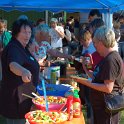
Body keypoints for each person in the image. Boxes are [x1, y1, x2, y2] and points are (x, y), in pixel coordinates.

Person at [71, 26, 124, 124]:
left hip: (107, 110)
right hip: (102, 108)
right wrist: (86, 69)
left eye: (94, 43)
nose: (94, 46)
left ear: (101, 42)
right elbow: (98, 78)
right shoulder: (107, 57)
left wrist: (84, 82)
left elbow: (108, 88)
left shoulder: (111, 60)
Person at [0, 19, 40, 124]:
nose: (27, 35)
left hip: (25, 102)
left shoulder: (23, 47)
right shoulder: (13, 48)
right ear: (17, 32)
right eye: (24, 32)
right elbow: (13, 65)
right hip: (15, 103)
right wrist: (23, 72)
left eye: (29, 32)